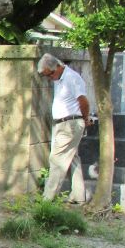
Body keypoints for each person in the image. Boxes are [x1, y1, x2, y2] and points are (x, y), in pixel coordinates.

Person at [37, 54, 93, 203]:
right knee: (72, 158)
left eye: (50, 75)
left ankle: (47, 199)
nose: (50, 79)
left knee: (57, 159)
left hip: (71, 123)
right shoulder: (59, 77)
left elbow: (84, 101)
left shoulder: (72, 78)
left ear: (56, 68)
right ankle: (79, 195)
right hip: (63, 123)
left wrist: (85, 118)